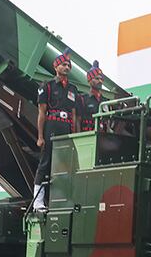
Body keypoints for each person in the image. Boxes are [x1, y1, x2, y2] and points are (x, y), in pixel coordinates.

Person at [33, 50, 78, 210]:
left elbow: (74, 115)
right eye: (63, 64)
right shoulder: (47, 86)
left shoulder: (73, 89)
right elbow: (42, 112)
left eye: (68, 65)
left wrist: (74, 134)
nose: (66, 67)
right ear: (56, 67)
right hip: (52, 125)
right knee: (45, 162)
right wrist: (40, 136)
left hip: (66, 127)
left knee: (66, 164)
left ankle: (63, 200)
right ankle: (38, 202)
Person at [77, 60, 104, 133]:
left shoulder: (105, 101)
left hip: (102, 135)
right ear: (89, 80)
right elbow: (78, 120)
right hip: (87, 134)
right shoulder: (82, 99)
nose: (100, 81)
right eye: (97, 78)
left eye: (101, 79)